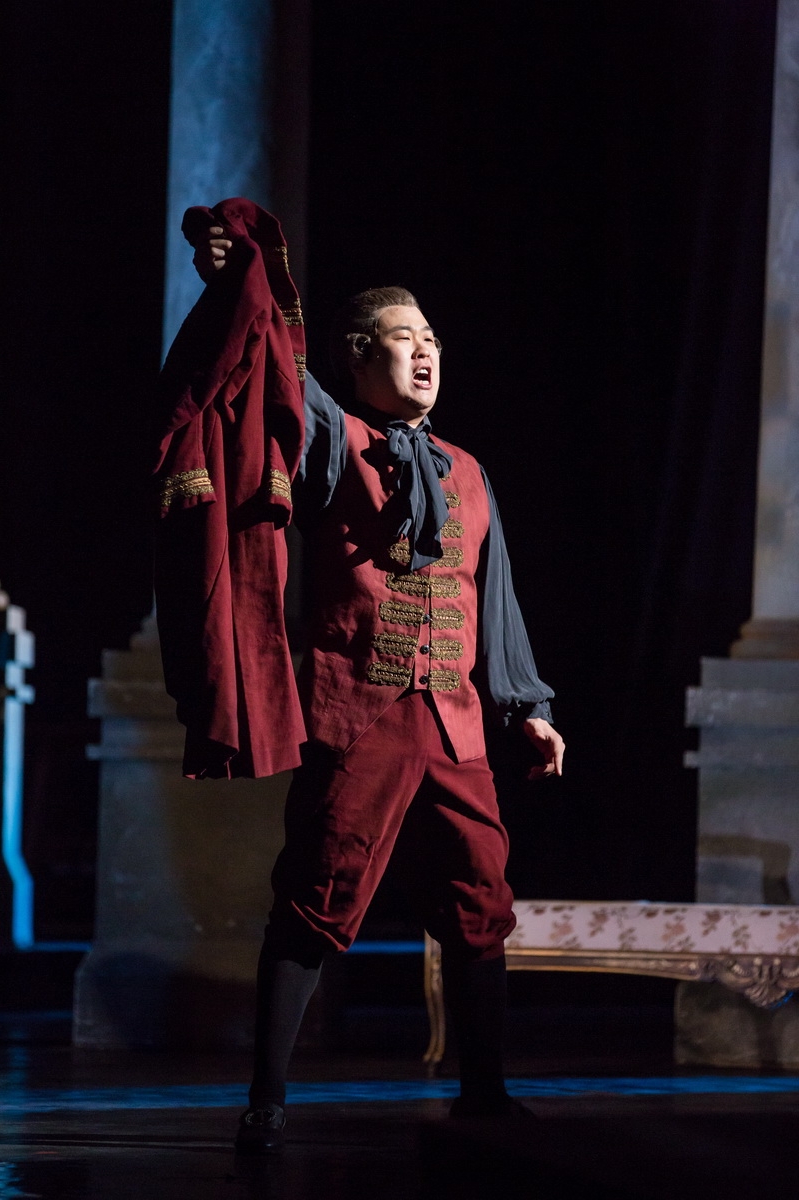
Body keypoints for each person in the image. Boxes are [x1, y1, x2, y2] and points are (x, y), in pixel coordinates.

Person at [189, 224, 565, 1153]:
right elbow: (276, 372)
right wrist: (239, 287)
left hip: (457, 724)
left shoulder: (468, 471)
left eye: (433, 338)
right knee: (318, 893)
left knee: (480, 899)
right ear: (360, 358)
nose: (426, 351)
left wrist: (527, 707)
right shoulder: (336, 437)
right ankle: (267, 1101)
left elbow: (495, 600)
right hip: (360, 713)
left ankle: (485, 1092)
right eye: (405, 338)